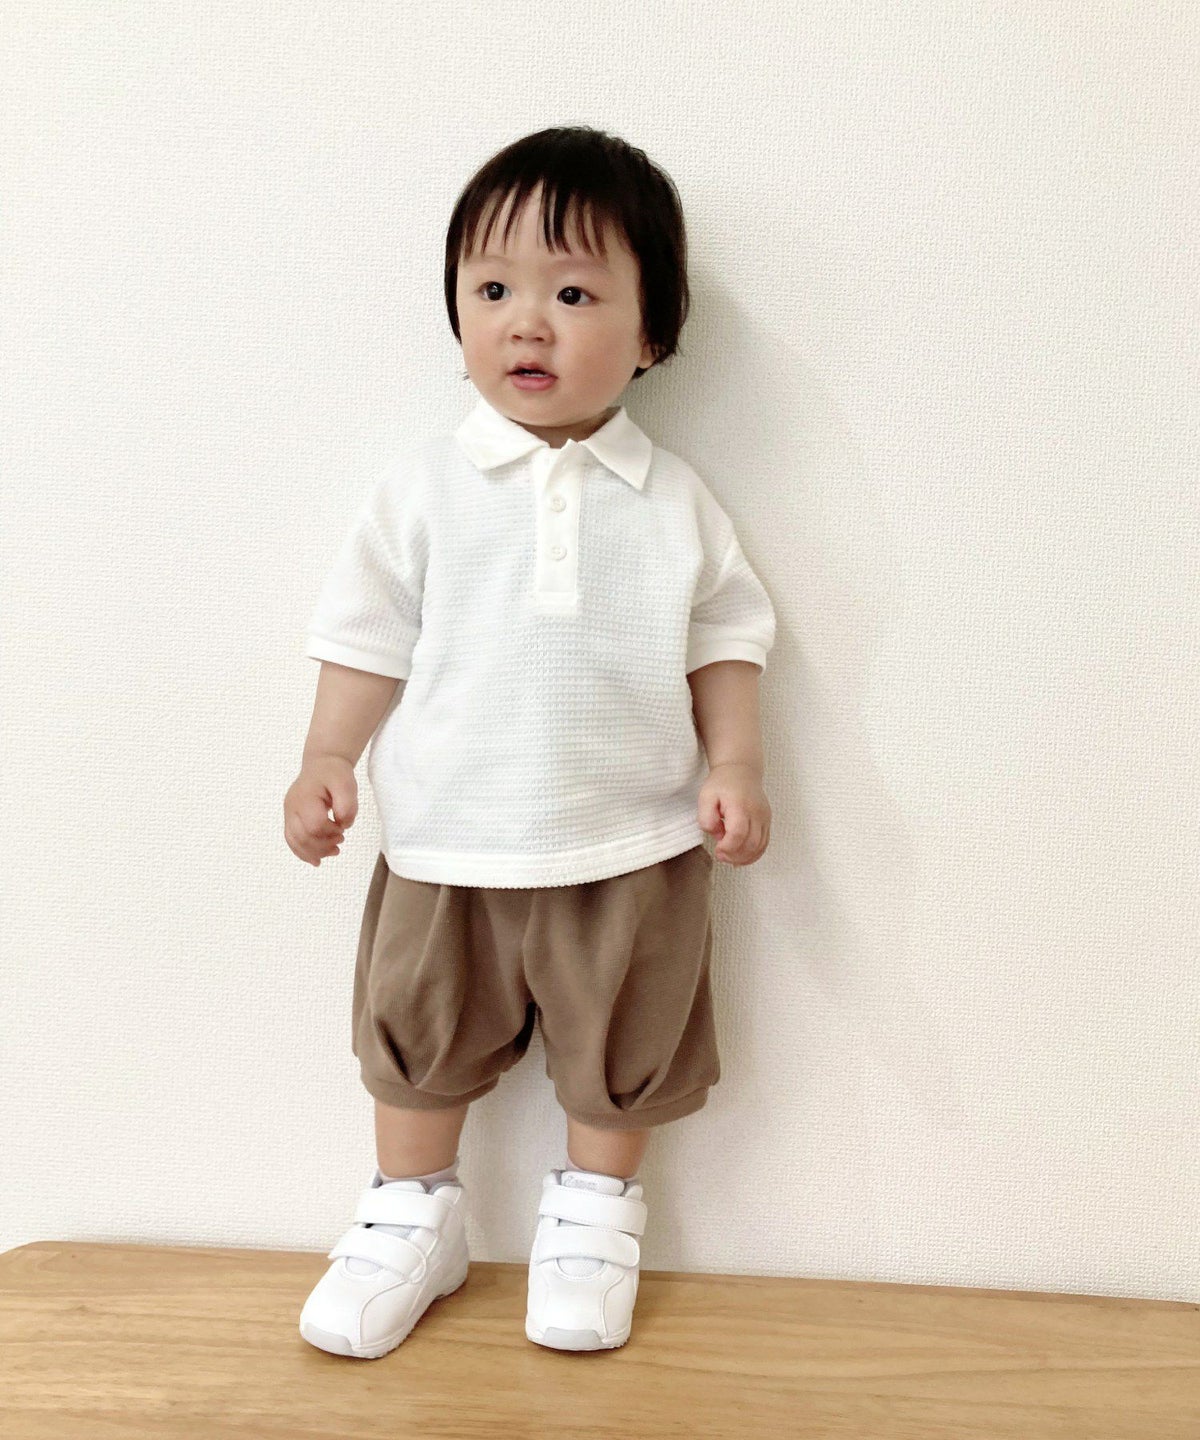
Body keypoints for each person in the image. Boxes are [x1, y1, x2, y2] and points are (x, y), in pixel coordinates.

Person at [285, 126, 776, 1359]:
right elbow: (366, 636)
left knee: (626, 1039)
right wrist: (328, 756)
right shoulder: (422, 489)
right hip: (449, 839)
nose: (526, 324)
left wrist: (735, 764)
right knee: (418, 1037)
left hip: (631, 841)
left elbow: (726, 635)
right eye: (494, 288)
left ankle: (596, 1218)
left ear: (653, 333)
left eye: (574, 294)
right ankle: (412, 1215)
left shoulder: (673, 500)